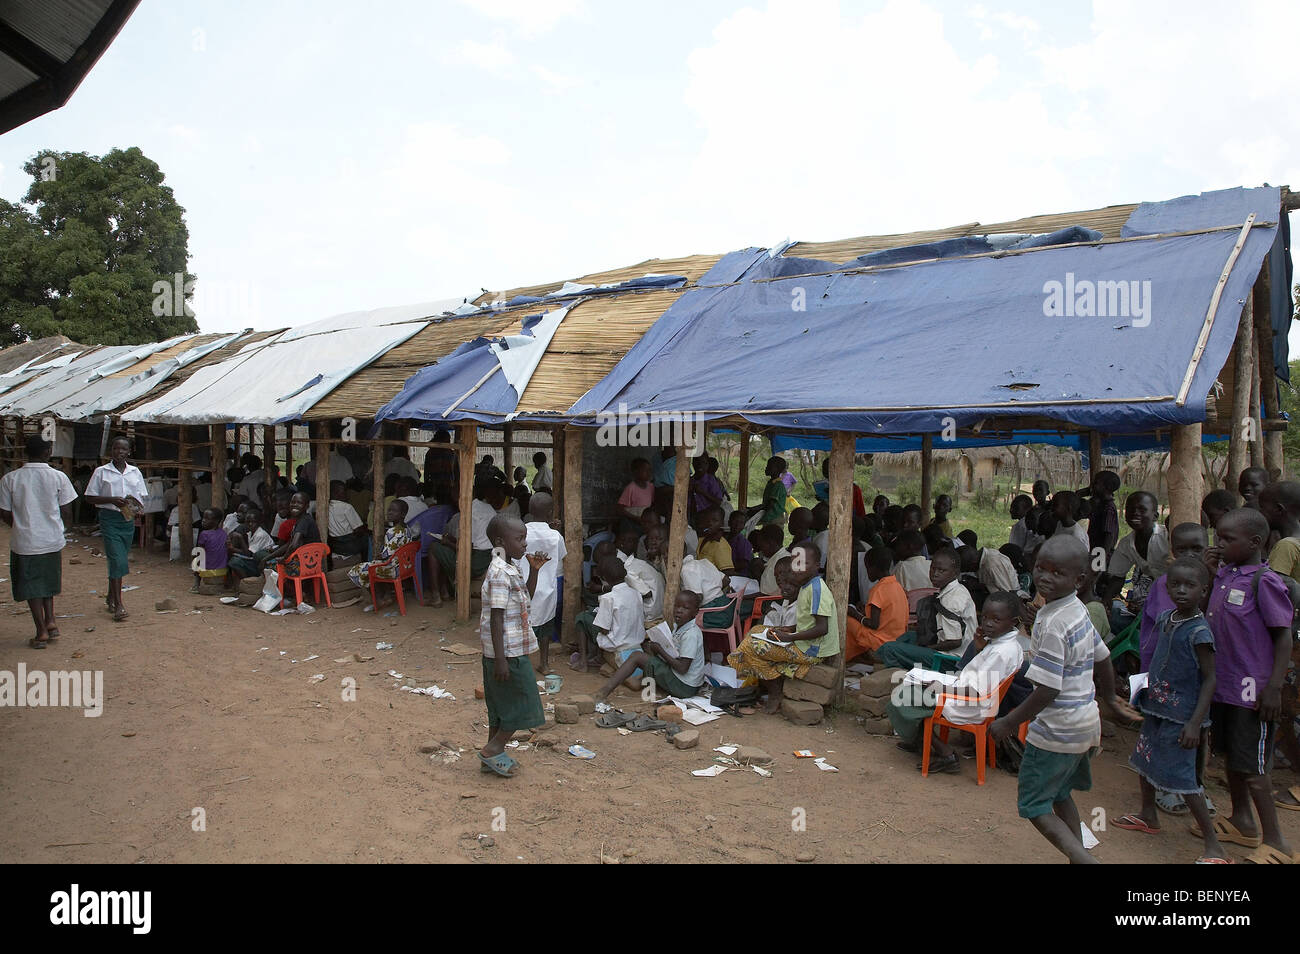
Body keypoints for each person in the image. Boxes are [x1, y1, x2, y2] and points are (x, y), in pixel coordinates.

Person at [990, 535, 1140, 864]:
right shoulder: (1076, 610)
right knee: (1059, 793)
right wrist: (1110, 699)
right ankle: (1078, 856)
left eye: (1057, 573)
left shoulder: (1053, 623)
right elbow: (1102, 656)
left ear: (1079, 579)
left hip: (1056, 731)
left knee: (1034, 805)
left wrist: (1009, 721)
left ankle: (1084, 860)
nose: (1045, 577)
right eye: (1040, 568)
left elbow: (1047, 689)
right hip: (1084, 724)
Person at [1198, 507, 1295, 863]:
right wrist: (1211, 575)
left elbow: (1282, 637)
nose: (1219, 544)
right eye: (1217, 537)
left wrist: (1274, 687)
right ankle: (1242, 821)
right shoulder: (1225, 576)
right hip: (1224, 687)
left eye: (1227, 539)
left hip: (1253, 692)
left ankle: (1278, 842)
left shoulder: (1264, 581)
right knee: (1233, 760)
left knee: (1254, 769)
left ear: (1255, 542)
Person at [1113, 558, 1226, 862]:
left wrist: (1195, 723)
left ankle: (1214, 847)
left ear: (1204, 590)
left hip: (1182, 715)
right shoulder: (1166, 618)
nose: (1181, 591)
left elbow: (1210, 678)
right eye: (1175, 584)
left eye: (1190, 586)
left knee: (1184, 780)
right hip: (1157, 706)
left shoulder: (1200, 632)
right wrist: (1141, 692)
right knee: (1143, 761)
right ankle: (1148, 815)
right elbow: (1158, 659)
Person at [887, 591, 1025, 774]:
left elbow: (977, 691)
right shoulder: (1006, 645)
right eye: (984, 618)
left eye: (996, 620)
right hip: (969, 694)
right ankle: (921, 739)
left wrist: (941, 687)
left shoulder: (1001, 651)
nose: (988, 624)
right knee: (914, 687)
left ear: (1013, 622)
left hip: (970, 703)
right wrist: (978, 649)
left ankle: (945, 753)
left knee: (901, 698)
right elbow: (981, 676)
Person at [477, 514, 550, 778]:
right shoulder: (498, 573)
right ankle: (493, 748)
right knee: (524, 701)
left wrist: (535, 570)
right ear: (500, 541)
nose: (524, 545)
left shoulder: (510, 567)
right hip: (507, 652)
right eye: (519, 539)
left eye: (525, 539)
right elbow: (496, 617)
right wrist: (500, 659)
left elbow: (525, 598)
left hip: (508, 650)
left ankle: (491, 754)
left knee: (499, 706)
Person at [728, 541, 838, 714]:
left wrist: (790, 637)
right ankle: (767, 684)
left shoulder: (817, 589)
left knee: (751, 647)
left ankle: (774, 690)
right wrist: (790, 628)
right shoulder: (806, 586)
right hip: (803, 642)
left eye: (804, 563)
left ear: (817, 565)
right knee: (756, 631)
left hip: (812, 650)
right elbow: (808, 622)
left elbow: (822, 628)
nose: (798, 568)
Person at [0, 435, 78, 648]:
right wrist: (60, 528)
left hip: (25, 541)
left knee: (31, 586)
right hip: (51, 539)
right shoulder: (58, 477)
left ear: (26, 452)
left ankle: (41, 631)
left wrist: (19, 526)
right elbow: (67, 510)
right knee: (48, 582)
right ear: (47, 453)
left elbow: (5, 513)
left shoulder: (10, 479)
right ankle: (51, 621)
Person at [594, 591, 705, 703]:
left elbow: (682, 668)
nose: (679, 610)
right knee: (649, 651)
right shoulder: (682, 626)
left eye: (685, 608)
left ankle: (604, 692)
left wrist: (661, 651)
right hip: (684, 682)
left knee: (637, 656)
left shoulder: (691, 634)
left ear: (695, 612)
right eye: (676, 606)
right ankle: (640, 680)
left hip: (684, 687)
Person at [876, 548, 977, 670]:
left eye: (942, 570)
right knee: (908, 636)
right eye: (933, 568)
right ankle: (883, 656)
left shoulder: (952, 599)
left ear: (955, 573)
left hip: (952, 660)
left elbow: (954, 641)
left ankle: (904, 674)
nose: (935, 574)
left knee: (890, 649)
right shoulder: (955, 589)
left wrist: (927, 648)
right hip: (953, 650)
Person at [84, 435, 148, 622]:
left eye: (123, 449)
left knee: (119, 559)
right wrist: (111, 500)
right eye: (116, 449)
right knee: (117, 559)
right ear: (111, 450)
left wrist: (138, 509)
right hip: (109, 518)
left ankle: (111, 596)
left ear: (129, 452)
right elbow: (89, 497)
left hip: (127, 519)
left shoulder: (135, 472)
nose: (119, 452)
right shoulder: (101, 472)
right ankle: (119, 605)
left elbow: (141, 496)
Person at [1101, 491, 1170, 633]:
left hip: (1178, 596)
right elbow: (1117, 577)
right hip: (1156, 597)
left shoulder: (1167, 537)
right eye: (1131, 509)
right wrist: (1106, 601)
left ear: (1155, 516)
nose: (1135, 514)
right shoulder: (1126, 544)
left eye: (1142, 510)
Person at [427, 478, 500, 607]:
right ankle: (444, 592)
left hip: (477, 561)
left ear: (458, 497)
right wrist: (451, 540)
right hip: (492, 555)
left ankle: (436, 595)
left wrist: (447, 543)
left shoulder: (468, 513)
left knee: (434, 548)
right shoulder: (487, 507)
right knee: (443, 551)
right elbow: (478, 538)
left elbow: (468, 549)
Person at [516, 493, 565, 673]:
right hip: (547, 589)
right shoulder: (555, 536)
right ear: (551, 512)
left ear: (529, 510)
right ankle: (544, 664)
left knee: (523, 625)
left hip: (524, 587)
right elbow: (561, 558)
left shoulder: (521, 532)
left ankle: (524, 664)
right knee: (545, 628)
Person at [576, 555, 643, 674]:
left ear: (603, 577)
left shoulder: (608, 598)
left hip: (617, 645)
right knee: (593, 614)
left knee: (582, 618)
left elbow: (604, 630)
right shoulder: (636, 593)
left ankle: (583, 662)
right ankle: (597, 658)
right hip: (636, 643)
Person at [844, 547, 907, 663]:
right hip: (898, 639)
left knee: (846, 621)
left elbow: (873, 624)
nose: (866, 572)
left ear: (873, 568)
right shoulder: (897, 586)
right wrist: (864, 611)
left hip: (881, 641)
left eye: (867, 568)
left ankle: (851, 656)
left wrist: (855, 614)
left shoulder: (878, 589)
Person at [346, 499, 415, 593]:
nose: (389, 513)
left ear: (403, 514)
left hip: (393, 569)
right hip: (406, 566)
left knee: (358, 569)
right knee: (373, 565)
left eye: (394, 511)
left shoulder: (392, 532)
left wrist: (378, 556)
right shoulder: (407, 529)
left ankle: (380, 599)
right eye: (389, 510)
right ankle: (385, 595)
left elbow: (386, 555)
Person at [227, 505, 274, 583]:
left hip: (265, 564)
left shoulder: (260, 534)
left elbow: (249, 554)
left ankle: (249, 582)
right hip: (256, 561)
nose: (250, 524)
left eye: (253, 522)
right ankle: (247, 582)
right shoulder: (250, 533)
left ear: (259, 522)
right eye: (248, 522)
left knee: (235, 562)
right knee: (234, 560)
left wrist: (240, 539)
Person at [1082, 470, 1122, 559]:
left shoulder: (1108, 508)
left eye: (1095, 483)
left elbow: (1109, 536)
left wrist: (1100, 559)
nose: (1091, 485)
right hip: (1095, 551)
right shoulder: (1098, 504)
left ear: (1106, 487)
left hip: (1102, 555)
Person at [326, 480, 368, 558]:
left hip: (335, 545)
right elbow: (358, 530)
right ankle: (366, 562)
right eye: (344, 491)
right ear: (335, 493)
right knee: (366, 538)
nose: (347, 494)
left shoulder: (325, 506)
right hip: (349, 546)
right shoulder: (346, 507)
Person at [191, 508, 229, 593]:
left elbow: (199, 551)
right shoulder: (223, 533)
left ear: (216, 521)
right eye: (203, 518)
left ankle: (196, 584)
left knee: (197, 557)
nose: (203, 521)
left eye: (207, 519)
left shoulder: (204, 534)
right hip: (222, 569)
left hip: (208, 569)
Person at [747, 457, 787, 528]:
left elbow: (769, 505)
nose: (766, 468)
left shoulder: (777, 485)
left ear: (777, 469)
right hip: (769, 519)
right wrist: (751, 509)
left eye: (769, 466)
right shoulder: (771, 483)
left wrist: (752, 510)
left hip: (775, 521)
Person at [695, 506, 735, 573]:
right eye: (707, 520)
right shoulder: (701, 538)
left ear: (722, 523)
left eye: (715, 520)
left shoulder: (720, 545)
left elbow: (728, 572)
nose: (710, 523)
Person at [755, 524, 791, 596]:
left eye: (762, 545)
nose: (760, 549)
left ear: (771, 543)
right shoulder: (781, 557)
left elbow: (768, 595)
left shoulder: (781, 563)